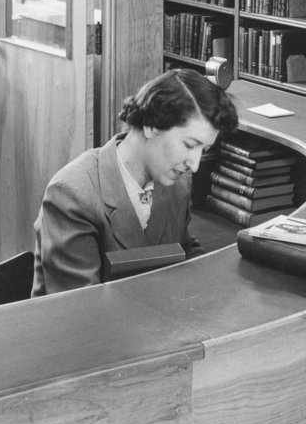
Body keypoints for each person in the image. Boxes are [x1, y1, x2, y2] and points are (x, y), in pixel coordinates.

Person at [33, 69, 239, 295]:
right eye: (190, 145)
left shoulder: (176, 184)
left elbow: (183, 248)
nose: (196, 165)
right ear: (151, 125)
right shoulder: (72, 194)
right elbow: (79, 310)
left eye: (204, 150)